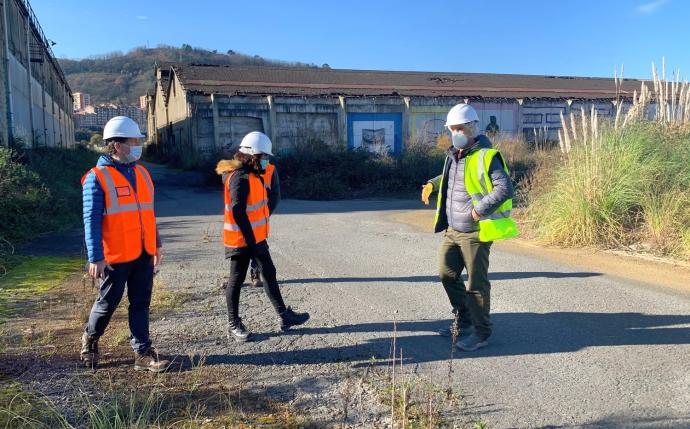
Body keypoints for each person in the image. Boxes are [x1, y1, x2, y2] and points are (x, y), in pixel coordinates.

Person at [421, 104, 518, 351]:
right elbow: (452, 179)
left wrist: (477, 211)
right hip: (452, 230)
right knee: (447, 274)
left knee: (476, 283)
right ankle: (463, 320)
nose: (456, 132)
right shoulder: (453, 154)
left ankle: (481, 333)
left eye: (460, 128)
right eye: (452, 128)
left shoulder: (487, 156)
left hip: (475, 231)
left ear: (472, 128)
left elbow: (504, 189)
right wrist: (433, 184)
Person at [80, 116, 170, 372]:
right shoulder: (96, 177)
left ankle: (142, 352)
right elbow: (91, 219)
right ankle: (90, 339)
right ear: (117, 145)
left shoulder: (142, 172)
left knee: (141, 302)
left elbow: (148, 213)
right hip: (115, 257)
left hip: (142, 252)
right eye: (134, 141)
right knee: (108, 303)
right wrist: (96, 256)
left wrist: (156, 244)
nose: (139, 145)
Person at [216, 131, 309, 342]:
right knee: (236, 279)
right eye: (263, 156)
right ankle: (233, 324)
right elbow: (238, 211)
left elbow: (260, 207)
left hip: (256, 238)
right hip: (242, 240)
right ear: (251, 155)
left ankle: (284, 315)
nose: (266, 160)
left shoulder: (253, 175)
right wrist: (251, 242)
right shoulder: (239, 178)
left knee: (269, 272)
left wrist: (257, 241)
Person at [248, 160, 281, 288]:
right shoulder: (241, 168)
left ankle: (255, 273)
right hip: (243, 216)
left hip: (260, 217)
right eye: (263, 154)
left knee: (258, 245)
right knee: (242, 248)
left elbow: (275, 196)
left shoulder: (271, 169)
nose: (265, 157)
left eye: (267, 154)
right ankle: (236, 277)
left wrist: (265, 213)